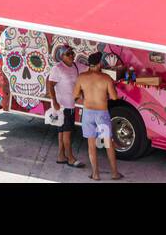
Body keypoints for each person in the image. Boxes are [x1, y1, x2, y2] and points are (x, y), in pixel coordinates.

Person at [74, 52, 123, 181]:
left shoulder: (81, 77)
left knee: (91, 145)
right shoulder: (106, 78)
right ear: (99, 63)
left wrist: (85, 95)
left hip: (88, 113)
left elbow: (75, 95)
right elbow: (114, 97)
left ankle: (95, 174)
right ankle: (114, 173)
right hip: (102, 113)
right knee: (108, 143)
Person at [46, 47, 83, 167]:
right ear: (62, 56)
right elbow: (50, 85)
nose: (71, 55)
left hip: (70, 105)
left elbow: (90, 69)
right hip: (62, 107)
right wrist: (55, 102)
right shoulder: (58, 68)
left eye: (72, 53)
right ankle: (71, 158)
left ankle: (61, 156)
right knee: (67, 133)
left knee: (62, 132)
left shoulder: (75, 66)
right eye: (68, 54)